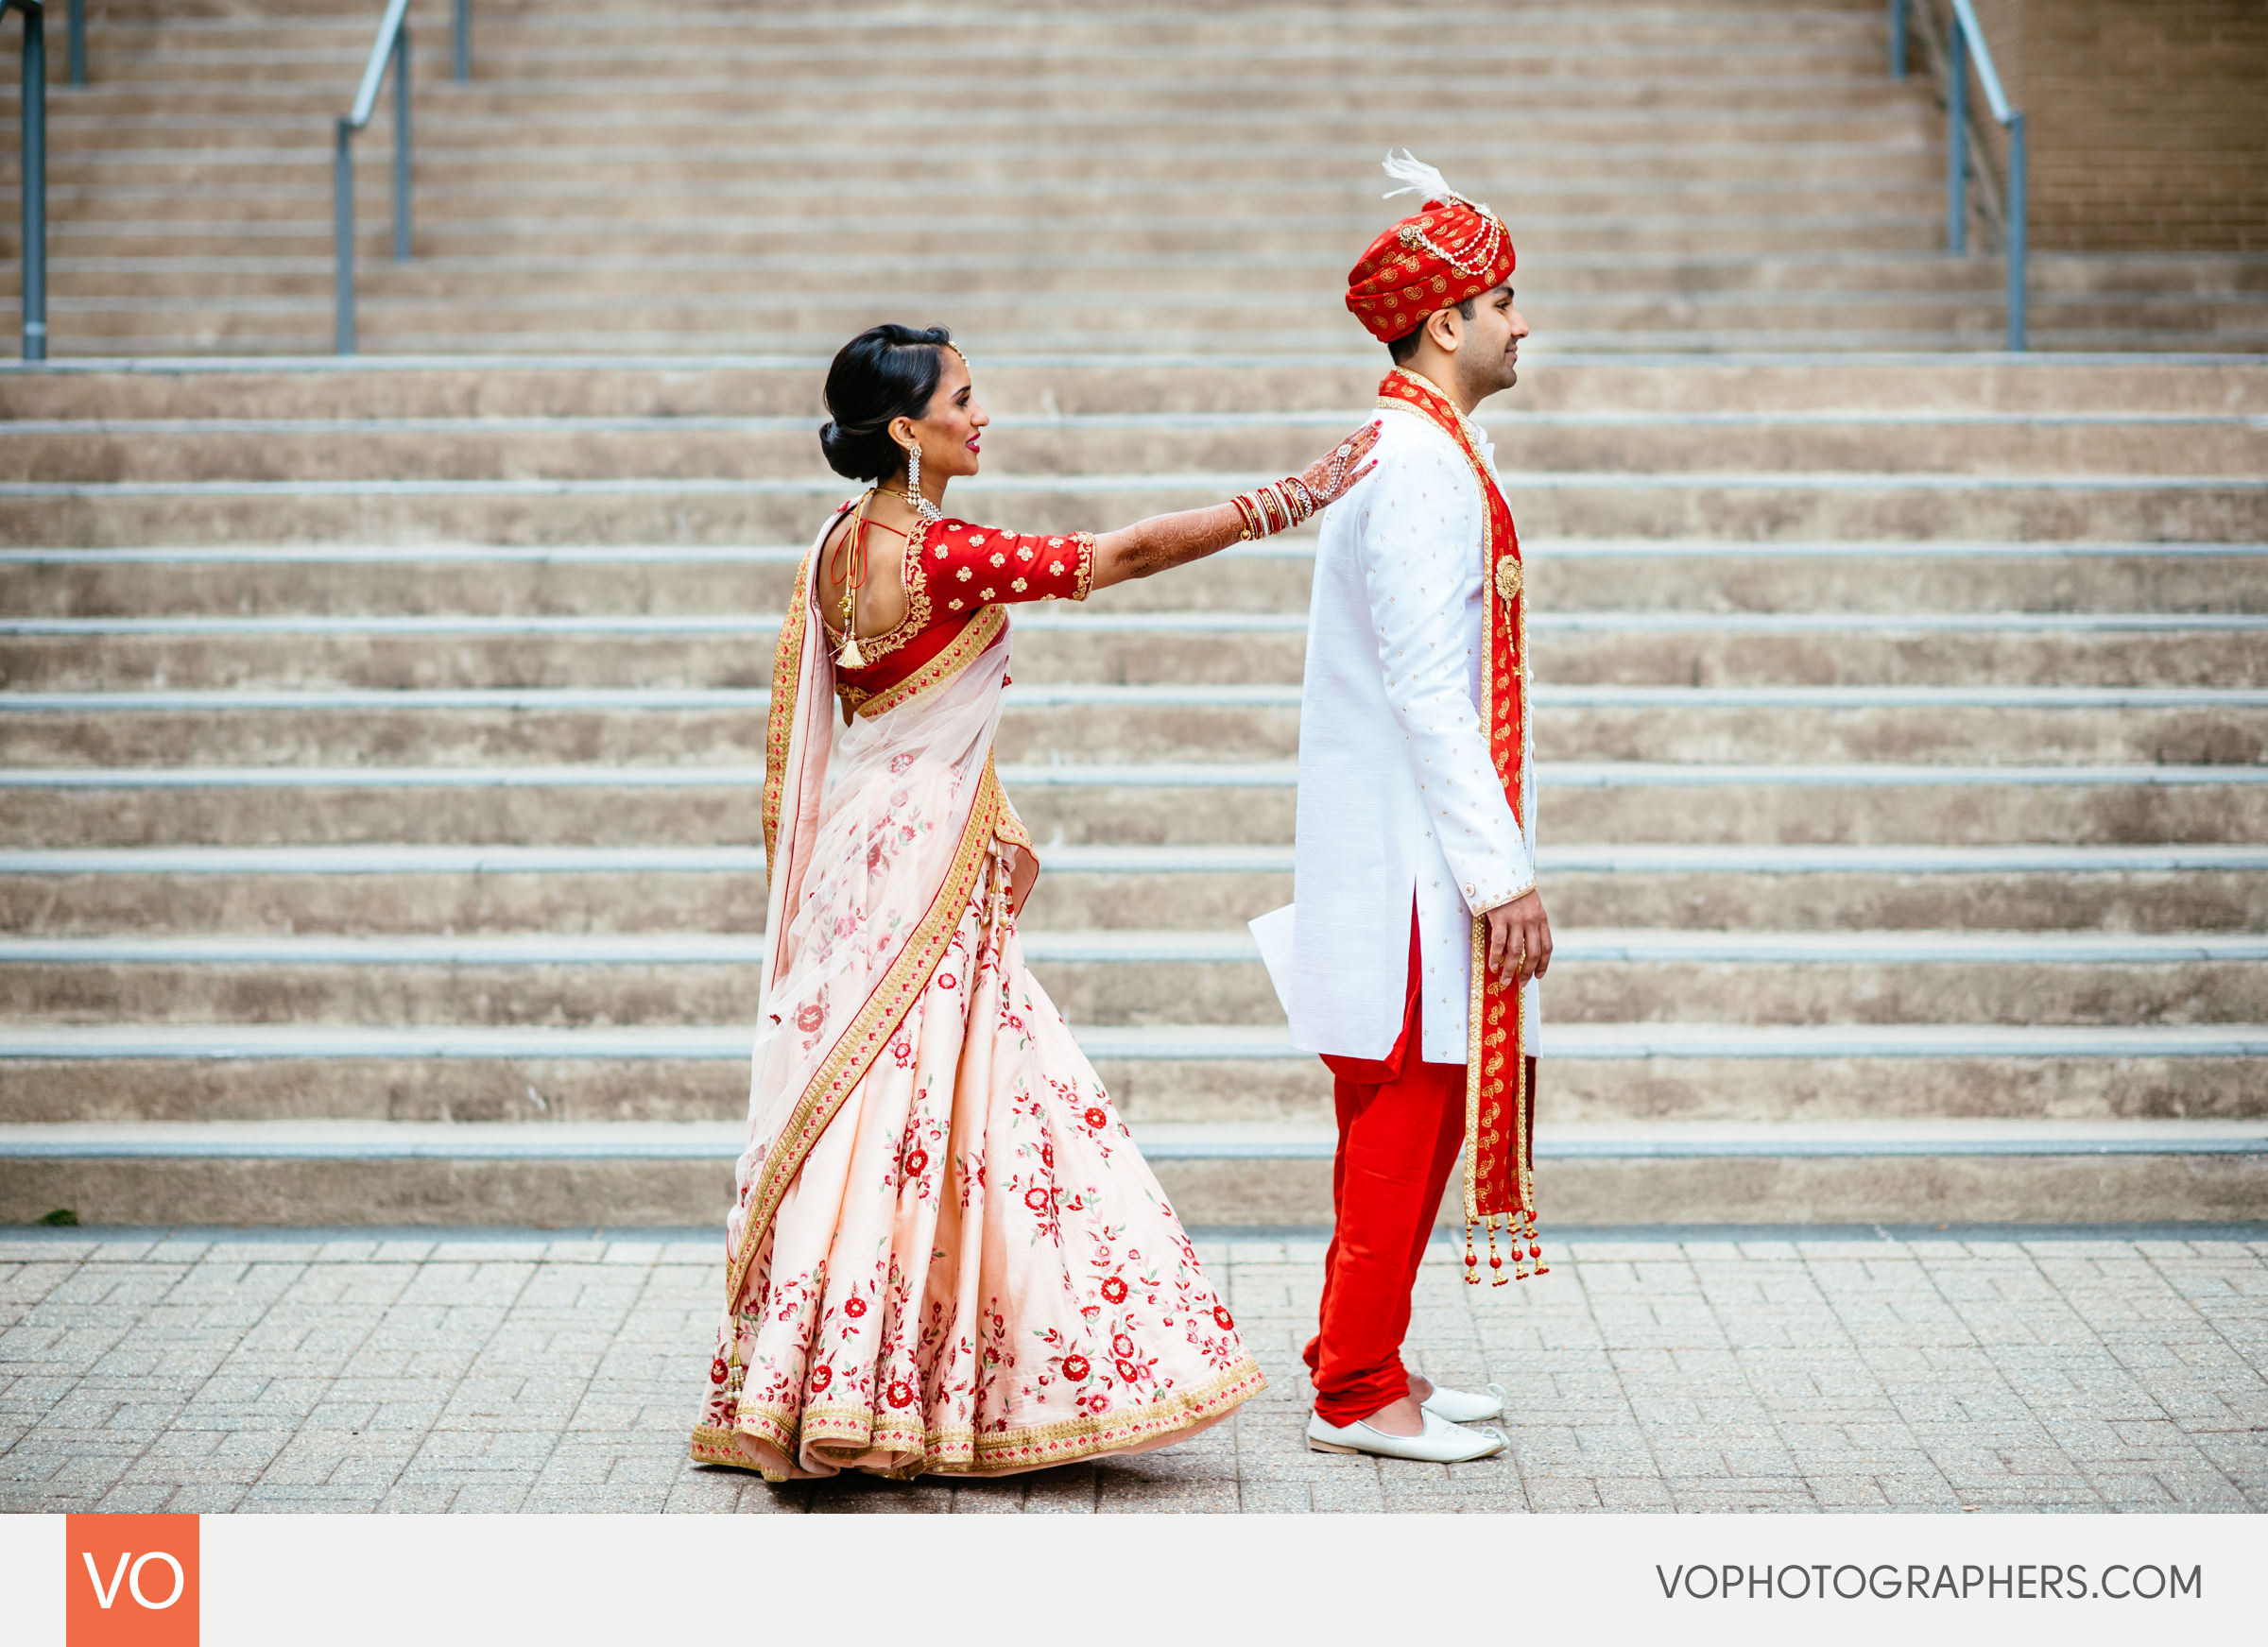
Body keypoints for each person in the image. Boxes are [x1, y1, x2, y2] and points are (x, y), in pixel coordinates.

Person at [690, 323, 1381, 1482]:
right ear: (907, 429)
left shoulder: (835, 546)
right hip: (919, 858)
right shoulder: (942, 555)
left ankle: (824, 1378)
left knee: (891, 1103)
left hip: (861, 846)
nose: (983, 413)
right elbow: (1125, 555)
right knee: (915, 1102)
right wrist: (1294, 498)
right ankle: (888, 1389)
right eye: (964, 398)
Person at [1256, 153, 1553, 1465]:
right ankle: (1358, 1388)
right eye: (1504, 300)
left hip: (1405, 842)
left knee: (1399, 1108)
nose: (1522, 321)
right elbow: (1435, 689)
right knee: (1405, 1113)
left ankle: (1355, 1349)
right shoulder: (1421, 466)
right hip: (1418, 854)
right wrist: (1503, 874)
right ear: (1447, 323)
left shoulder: (1419, 444)